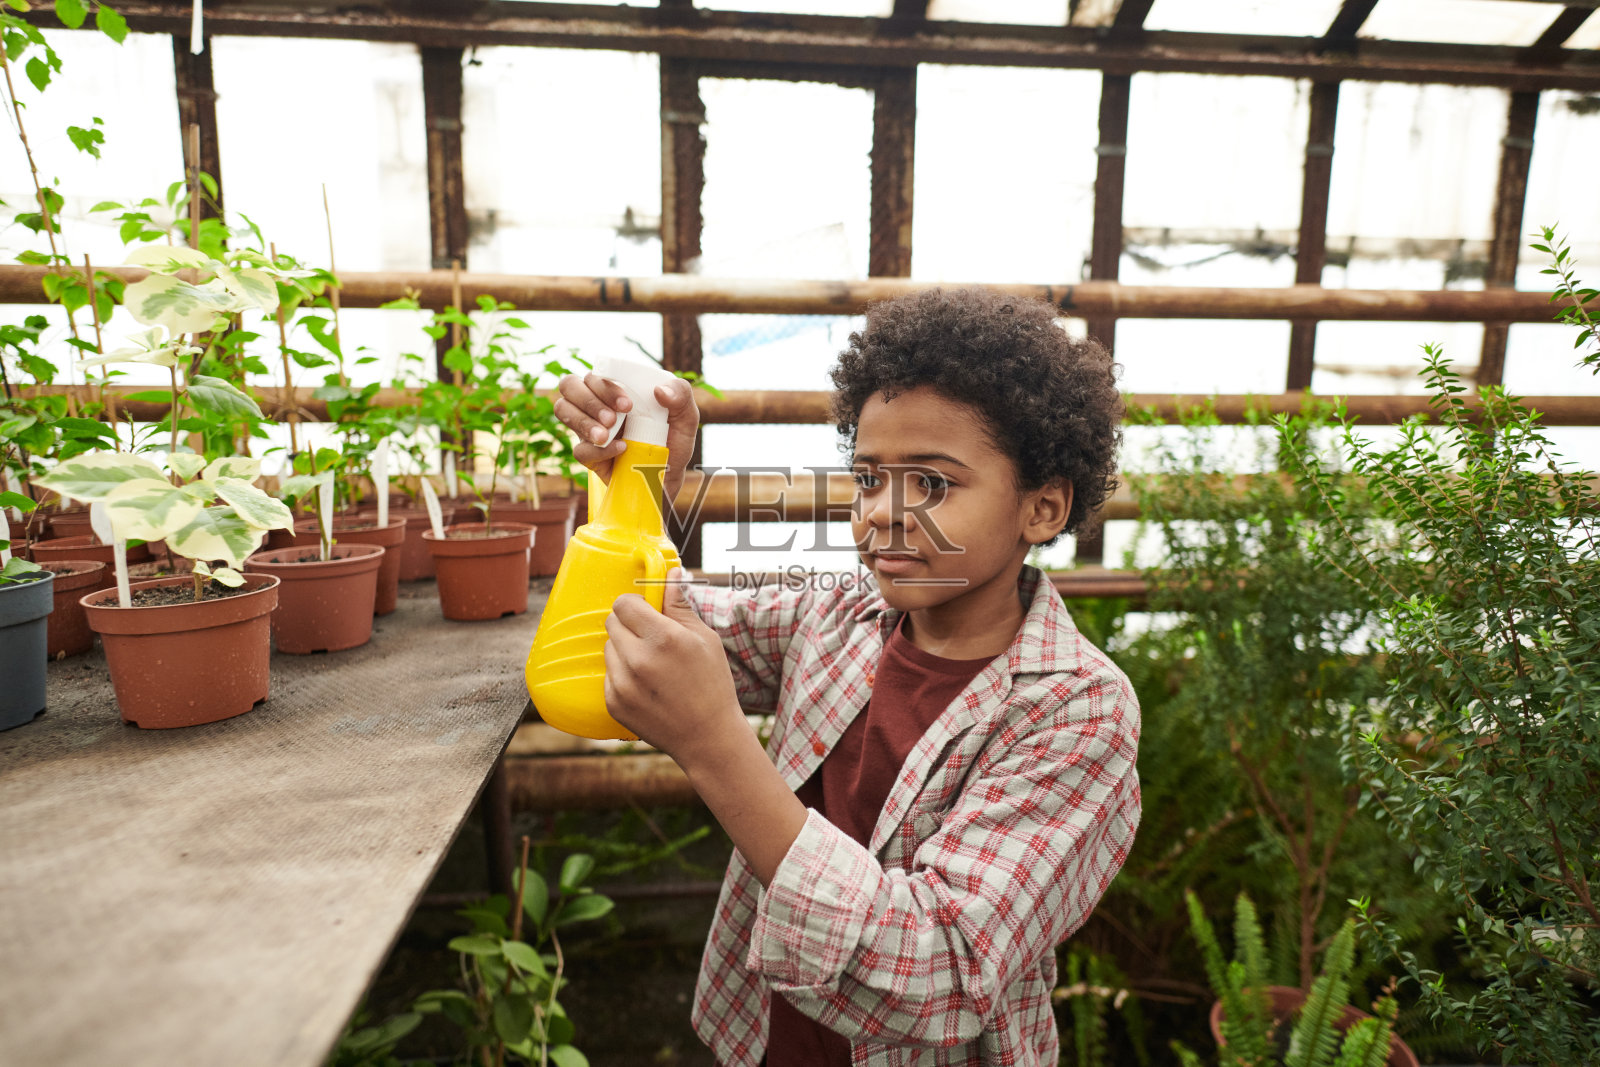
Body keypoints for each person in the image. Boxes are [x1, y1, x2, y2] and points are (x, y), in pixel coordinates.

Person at [552, 286, 1141, 1066]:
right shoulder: (837, 618)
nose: (884, 513)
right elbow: (639, 622)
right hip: (765, 1041)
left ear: (1043, 507)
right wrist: (639, 478)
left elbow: (940, 972)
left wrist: (719, 750)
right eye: (867, 478)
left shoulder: (1075, 712)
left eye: (932, 483)